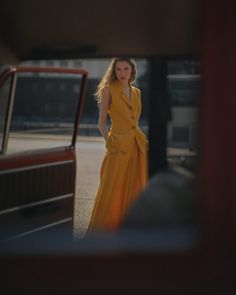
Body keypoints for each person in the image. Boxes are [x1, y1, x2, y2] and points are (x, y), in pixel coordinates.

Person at [87, 57, 148, 232]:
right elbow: (101, 124)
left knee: (136, 187)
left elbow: (134, 121)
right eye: (118, 69)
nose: (122, 73)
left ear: (132, 71)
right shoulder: (108, 90)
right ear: (114, 71)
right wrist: (111, 143)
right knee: (111, 187)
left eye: (125, 69)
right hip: (117, 146)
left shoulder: (137, 92)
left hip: (137, 146)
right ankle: (103, 229)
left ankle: (129, 228)